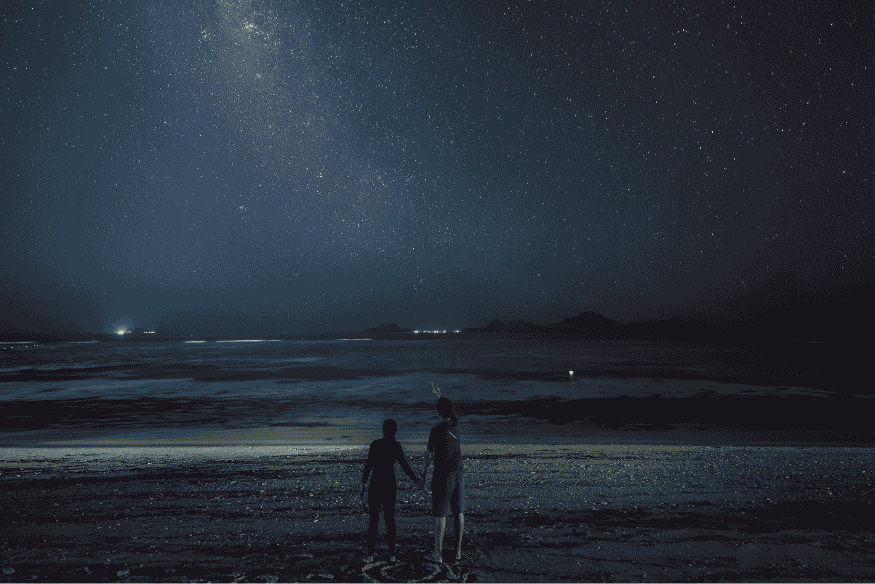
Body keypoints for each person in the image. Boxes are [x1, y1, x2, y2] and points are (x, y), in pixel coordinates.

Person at [361, 419, 424, 562]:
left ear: (383, 430)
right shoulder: (396, 445)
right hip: (389, 486)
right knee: (390, 520)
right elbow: (404, 465)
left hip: (375, 485)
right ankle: (391, 554)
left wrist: (363, 483)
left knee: (373, 521)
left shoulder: (375, 444)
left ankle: (370, 554)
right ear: (395, 431)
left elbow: (368, 465)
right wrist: (416, 480)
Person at [420, 396, 465, 564]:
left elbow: (428, 455)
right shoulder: (457, 426)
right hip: (458, 475)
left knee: (440, 514)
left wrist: (422, 474)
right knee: (459, 512)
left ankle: (438, 554)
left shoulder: (436, 430)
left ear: (438, 412)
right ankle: (458, 551)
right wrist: (441, 396)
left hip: (442, 476)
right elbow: (451, 414)